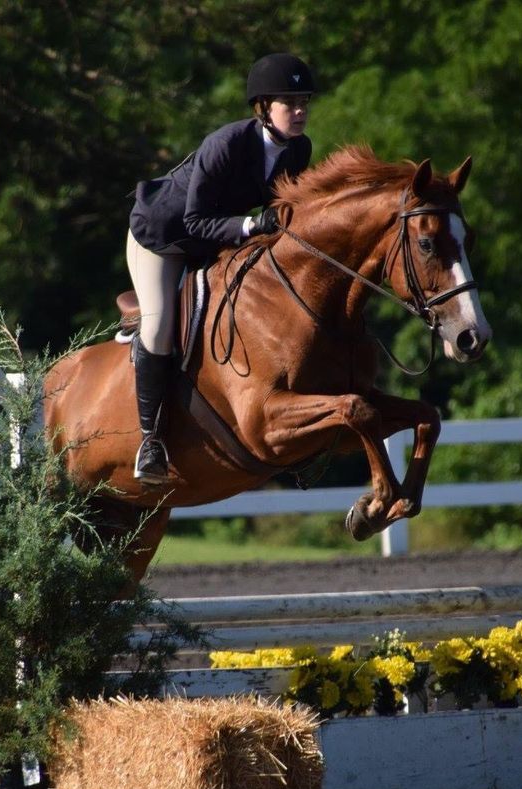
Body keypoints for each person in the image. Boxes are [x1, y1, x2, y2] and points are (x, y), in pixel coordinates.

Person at [125, 53, 316, 484]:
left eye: (304, 101)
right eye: (291, 103)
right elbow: (193, 221)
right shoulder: (226, 144)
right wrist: (250, 224)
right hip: (163, 237)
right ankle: (150, 442)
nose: (301, 111)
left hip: (216, 239)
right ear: (264, 107)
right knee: (158, 327)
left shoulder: (299, 150)